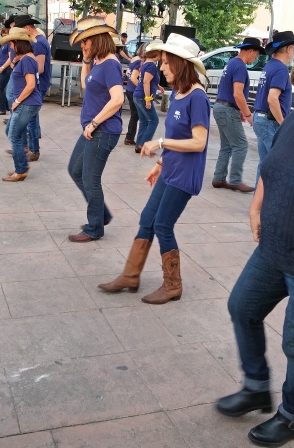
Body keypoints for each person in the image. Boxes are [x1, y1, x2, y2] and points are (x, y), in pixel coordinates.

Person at [216, 45, 294, 448]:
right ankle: (257, 387)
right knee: (242, 307)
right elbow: (271, 167)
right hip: (272, 248)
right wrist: (256, 205)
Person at [98, 33, 210, 305]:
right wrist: (160, 163)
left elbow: (198, 142)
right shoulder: (179, 93)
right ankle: (130, 275)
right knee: (147, 218)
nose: (160, 68)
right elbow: (179, 135)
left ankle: (173, 285)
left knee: (162, 224)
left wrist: (160, 143)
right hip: (171, 169)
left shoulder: (197, 97)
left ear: (180, 63)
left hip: (185, 175)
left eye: (165, 62)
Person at [67, 18, 124, 243]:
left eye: (85, 43)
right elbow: (85, 85)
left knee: (90, 179)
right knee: (75, 170)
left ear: (98, 41)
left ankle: (94, 228)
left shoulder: (111, 64)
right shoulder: (99, 62)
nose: (83, 46)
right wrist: (85, 62)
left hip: (102, 131)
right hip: (92, 130)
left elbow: (118, 99)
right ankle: (101, 215)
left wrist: (94, 123)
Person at [212, 37, 265, 193]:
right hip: (227, 109)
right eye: (256, 54)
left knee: (227, 146)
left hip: (220, 106)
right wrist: (248, 114)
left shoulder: (231, 63)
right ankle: (235, 180)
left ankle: (219, 178)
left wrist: (240, 110)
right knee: (241, 145)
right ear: (250, 51)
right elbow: (238, 94)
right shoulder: (240, 66)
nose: (256, 58)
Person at [253, 31, 294, 184]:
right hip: (270, 122)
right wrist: (283, 123)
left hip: (260, 118)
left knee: (264, 164)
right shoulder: (281, 69)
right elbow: (272, 99)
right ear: (288, 48)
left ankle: (259, 203)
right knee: (280, 164)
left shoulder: (270, 65)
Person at [1, 27, 42, 182]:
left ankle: (20, 170)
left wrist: (17, 101)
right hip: (26, 103)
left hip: (26, 103)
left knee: (14, 136)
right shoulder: (27, 58)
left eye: (12, 43)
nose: (10, 46)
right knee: (10, 132)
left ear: (18, 43)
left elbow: (30, 85)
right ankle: (22, 164)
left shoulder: (27, 60)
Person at [15, 14, 51, 162]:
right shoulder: (37, 42)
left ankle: (34, 150)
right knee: (30, 119)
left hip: (38, 85)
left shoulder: (39, 43)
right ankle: (25, 148)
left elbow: (40, 68)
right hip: (36, 84)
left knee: (31, 120)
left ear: (27, 28)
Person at [133, 44, 164, 153]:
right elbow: (146, 81)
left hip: (138, 95)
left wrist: (158, 86)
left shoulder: (146, 63)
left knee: (144, 121)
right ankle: (144, 145)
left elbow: (148, 80)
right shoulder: (151, 65)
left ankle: (139, 145)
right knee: (153, 120)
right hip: (143, 96)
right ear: (156, 53)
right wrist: (148, 99)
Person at [124, 42, 150, 146]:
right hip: (134, 90)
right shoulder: (139, 62)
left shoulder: (134, 58)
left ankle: (130, 137)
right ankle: (130, 137)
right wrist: (142, 87)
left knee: (135, 115)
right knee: (137, 116)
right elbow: (133, 77)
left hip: (130, 89)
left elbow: (128, 74)